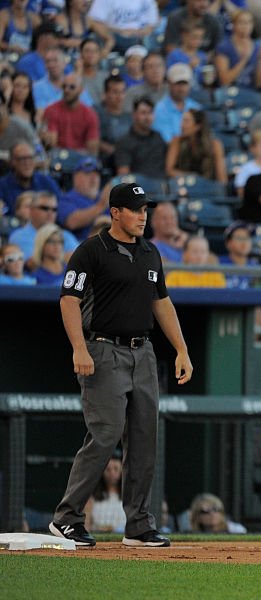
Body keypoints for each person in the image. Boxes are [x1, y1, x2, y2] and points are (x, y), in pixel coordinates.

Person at [49, 182, 193, 548]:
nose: (144, 215)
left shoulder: (150, 252)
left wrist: (181, 349)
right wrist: (78, 348)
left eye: (146, 209)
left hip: (142, 351)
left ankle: (139, 524)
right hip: (102, 349)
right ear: (116, 212)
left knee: (145, 438)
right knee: (106, 434)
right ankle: (67, 518)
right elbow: (68, 299)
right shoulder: (92, 251)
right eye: (136, 209)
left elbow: (162, 302)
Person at [164, 109, 228, 184]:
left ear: (197, 126)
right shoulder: (176, 142)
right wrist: (191, 177)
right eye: (182, 121)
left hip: (208, 186)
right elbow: (169, 170)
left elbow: (221, 176)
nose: (181, 125)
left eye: (186, 121)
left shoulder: (215, 145)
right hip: (183, 185)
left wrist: (221, 190)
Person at [113, 97, 168, 178]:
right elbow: (123, 176)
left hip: (163, 186)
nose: (147, 117)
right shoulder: (124, 142)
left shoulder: (159, 137)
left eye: (150, 113)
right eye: (143, 113)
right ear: (134, 115)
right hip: (139, 187)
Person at [84, 456, 126, 533]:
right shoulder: (91, 498)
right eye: (108, 469)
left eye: (116, 469)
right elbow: (86, 524)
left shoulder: (129, 497)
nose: (112, 473)